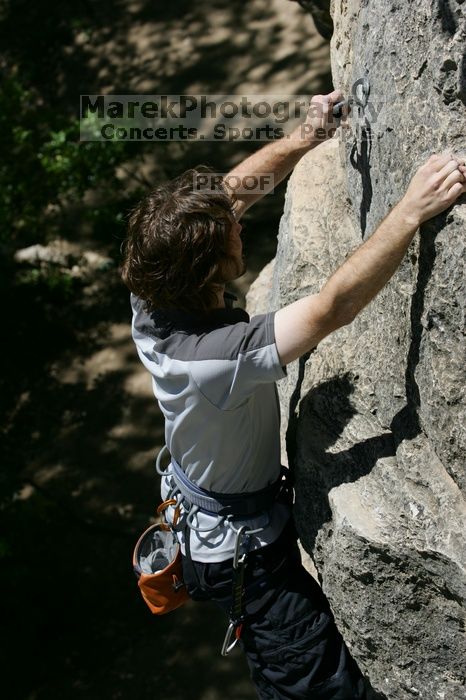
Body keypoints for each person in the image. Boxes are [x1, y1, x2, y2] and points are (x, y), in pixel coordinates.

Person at [121, 89, 466, 699]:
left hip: (212, 520)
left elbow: (232, 191)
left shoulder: (153, 284)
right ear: (207, 272)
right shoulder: (212, 360)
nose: (239, 220)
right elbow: (332, 306)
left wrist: (307, 138)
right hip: (246, 565)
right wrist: (411, 209)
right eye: (231, 234)